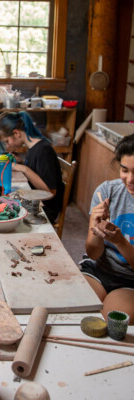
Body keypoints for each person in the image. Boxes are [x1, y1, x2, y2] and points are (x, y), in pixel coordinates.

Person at [80, 134, 134, 324]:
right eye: (124, 170)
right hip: (99, 269)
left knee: (110, 323)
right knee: (71, 310)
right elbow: (93, 254)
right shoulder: (108, 191)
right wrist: (96, 229)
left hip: (129, 281)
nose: (130, 179)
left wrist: (120, 241)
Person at [0, 111, 64, 223]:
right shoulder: (33, 147)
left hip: (44, 208)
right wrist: (21, 162)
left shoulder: (43, 150)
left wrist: (24, 169)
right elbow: (38, 172)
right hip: (33, 200)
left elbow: (50, 192)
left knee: (3, 214)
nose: (8, 145)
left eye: (7, 141)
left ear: (16, 133)